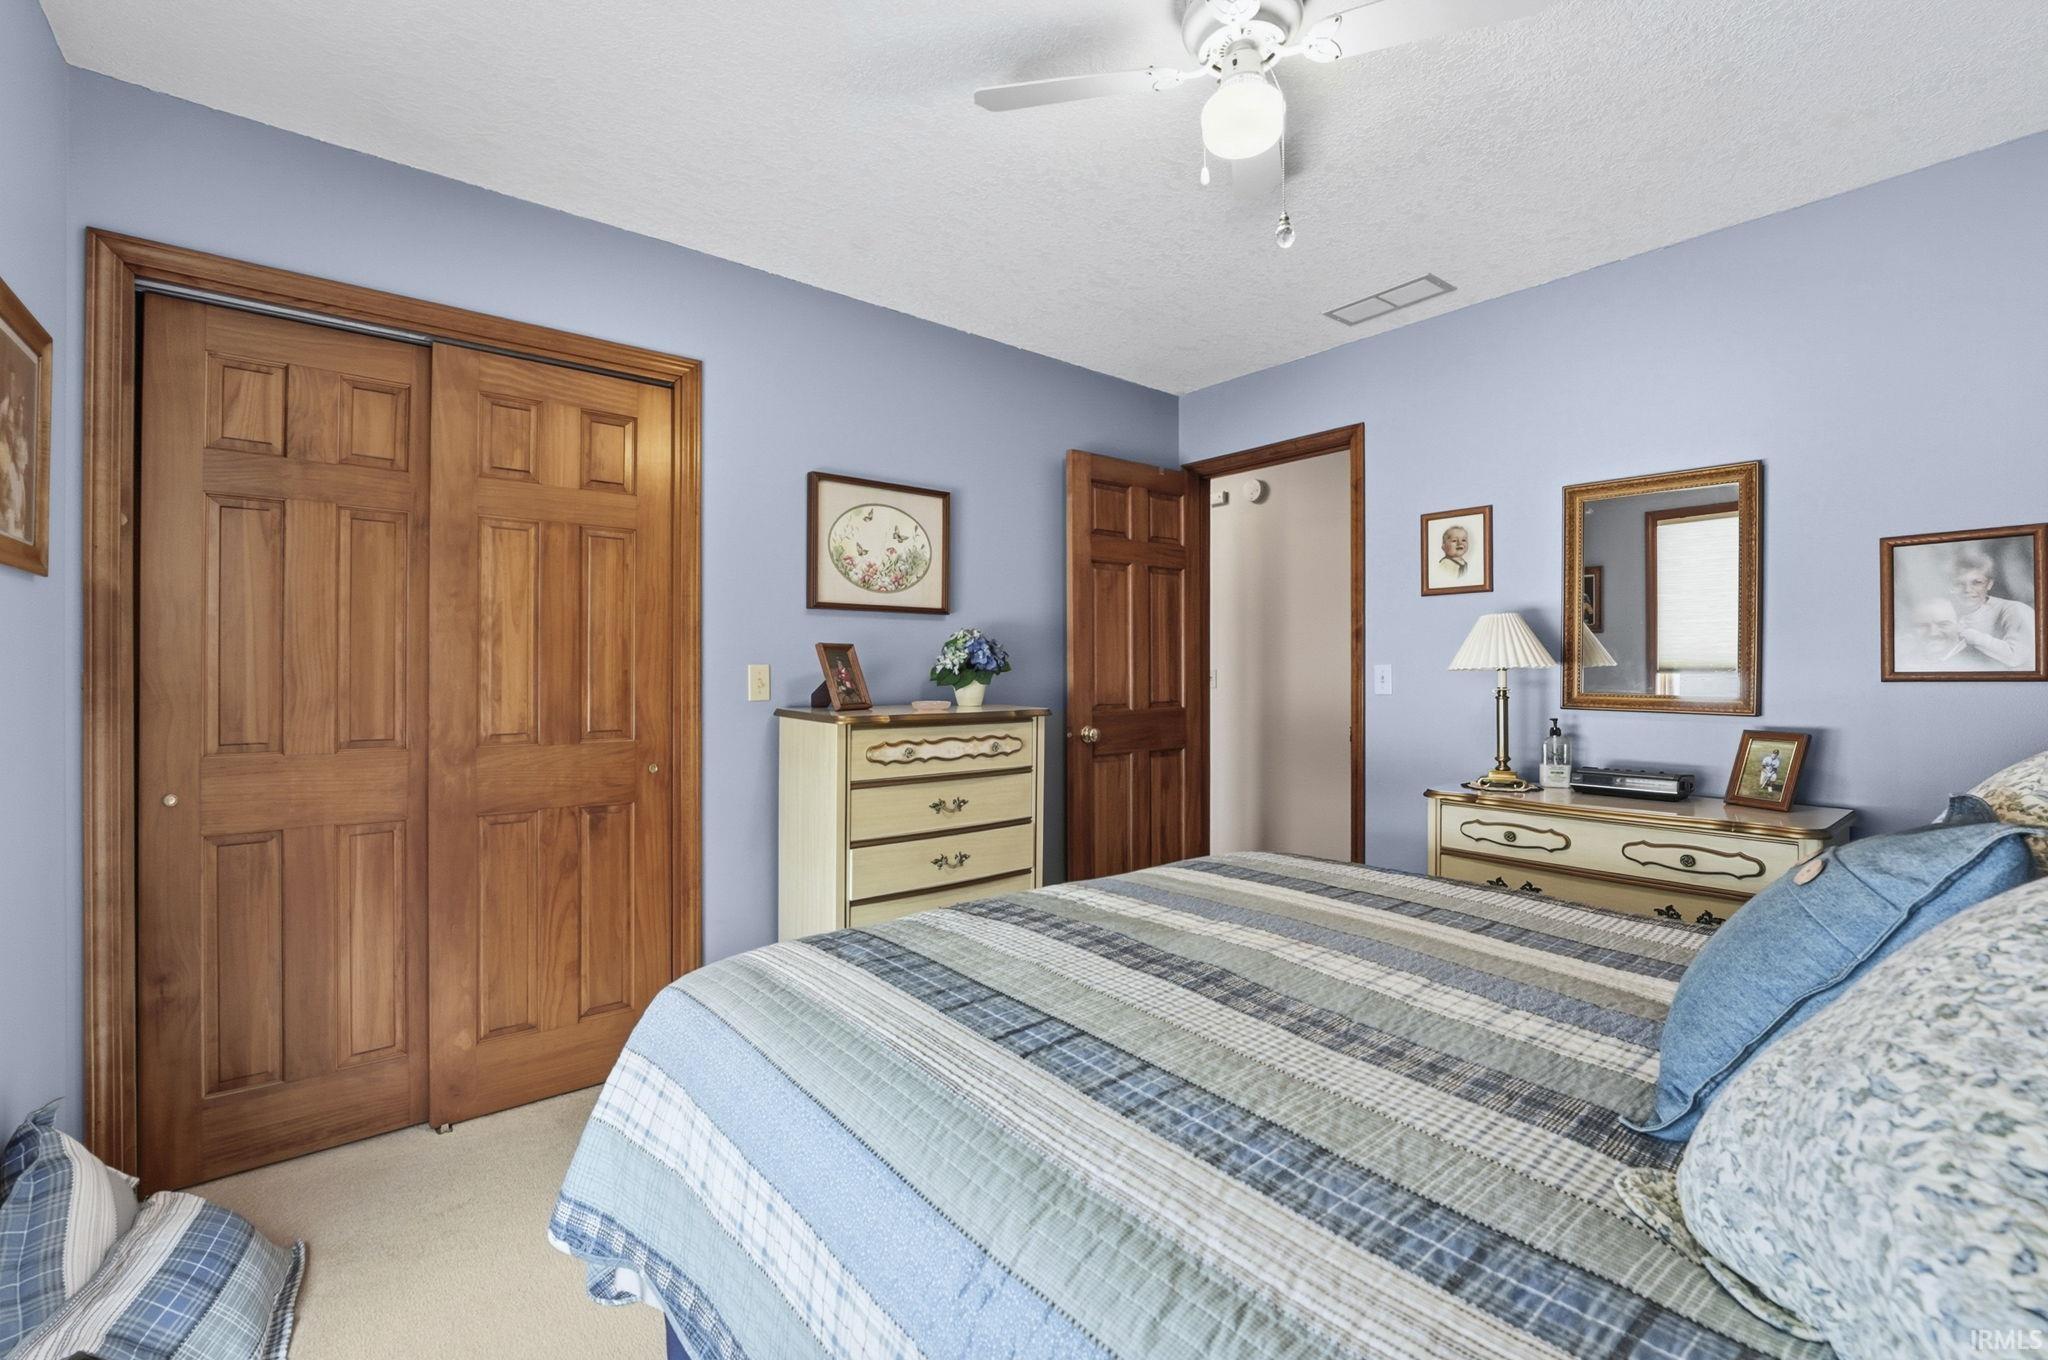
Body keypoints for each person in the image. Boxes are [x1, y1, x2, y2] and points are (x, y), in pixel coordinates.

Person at [1948, 547, 2036, 669]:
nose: (1967, 590)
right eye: (1959, 584)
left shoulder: (2015, 610)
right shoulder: (1949, 615)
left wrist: (1971, 636)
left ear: (1989, 584)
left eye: (1977, 582)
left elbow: (2016, 657)